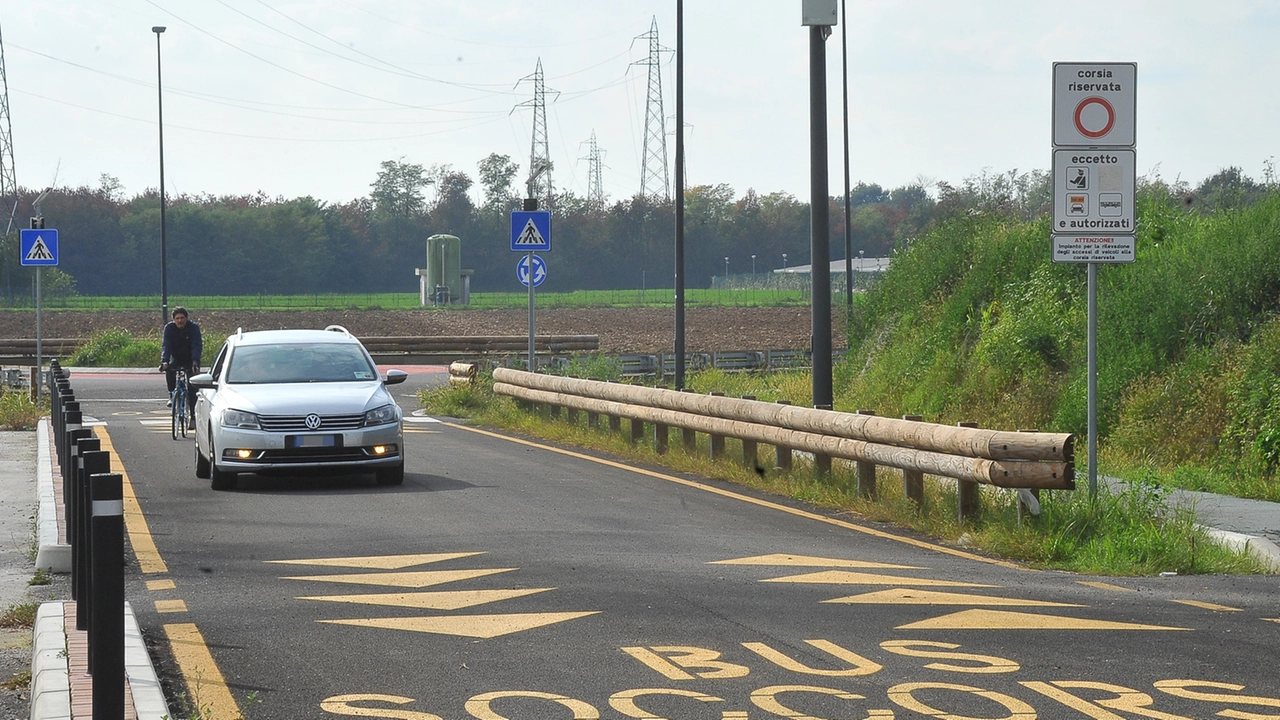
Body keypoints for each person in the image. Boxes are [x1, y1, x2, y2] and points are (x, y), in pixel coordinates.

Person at [159, 306, 203, 428]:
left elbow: (196, 345)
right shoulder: (169, 328)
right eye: (177, 318)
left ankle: (193, 417)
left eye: (182, 318)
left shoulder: (193, 328)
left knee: (192, 387)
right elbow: (166, 346)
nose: (180, 321)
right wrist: (165, 361)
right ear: (173, 320)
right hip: (176, 357)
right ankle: (171, 394)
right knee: (169, 371)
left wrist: (195, 361)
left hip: (191, 358)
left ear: (187, 318)